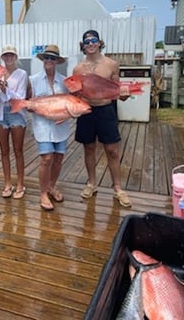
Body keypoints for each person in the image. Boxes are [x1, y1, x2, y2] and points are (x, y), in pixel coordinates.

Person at [73, 29, 131, 207]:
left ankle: (118, 188)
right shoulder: (78, 68)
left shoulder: (111, 64)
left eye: (94, 40)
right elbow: (76, 92)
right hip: (87, 111)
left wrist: (124, 94)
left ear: (99, 43)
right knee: (89, 149)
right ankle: (92, 183)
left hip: (106, 110)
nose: (90, 44)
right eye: (87, 41)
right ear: (83, 45)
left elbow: (117, 89)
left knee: (112, 150)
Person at [29, 45, 69, 211]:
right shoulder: (33, 79)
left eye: (53, 58)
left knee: (58, 159)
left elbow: (70, 103)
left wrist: (66, 115)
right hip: (43, 126)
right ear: (42, 60)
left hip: (61, 127)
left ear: (57, 61)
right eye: (47, 58)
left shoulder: (65, 81)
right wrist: (35, 106)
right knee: (46, 159)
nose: (49, 61)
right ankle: (43, 193)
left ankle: (52, 186)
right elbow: (29, 102)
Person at [0, 45, 28, 199]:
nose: (8, 58)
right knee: (4, 151)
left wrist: (4, 89)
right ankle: (8, 183)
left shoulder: (22, 74)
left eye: (11, 55)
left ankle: (20, 183)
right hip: (1, 114)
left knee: (18, 151)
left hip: (16, 113)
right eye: (6, 55)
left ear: (16, 57)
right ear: (2, 57)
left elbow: (20, 97)